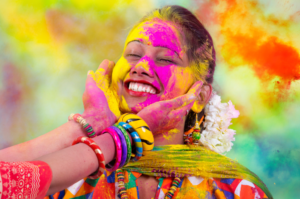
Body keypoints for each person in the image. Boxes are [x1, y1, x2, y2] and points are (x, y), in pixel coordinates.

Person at [0, 5, 272, 199]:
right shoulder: (67, 181)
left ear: (200, 96)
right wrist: (93, 125)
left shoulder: (234, 191)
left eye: (165, 58)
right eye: (132, 53)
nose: (141, 66)